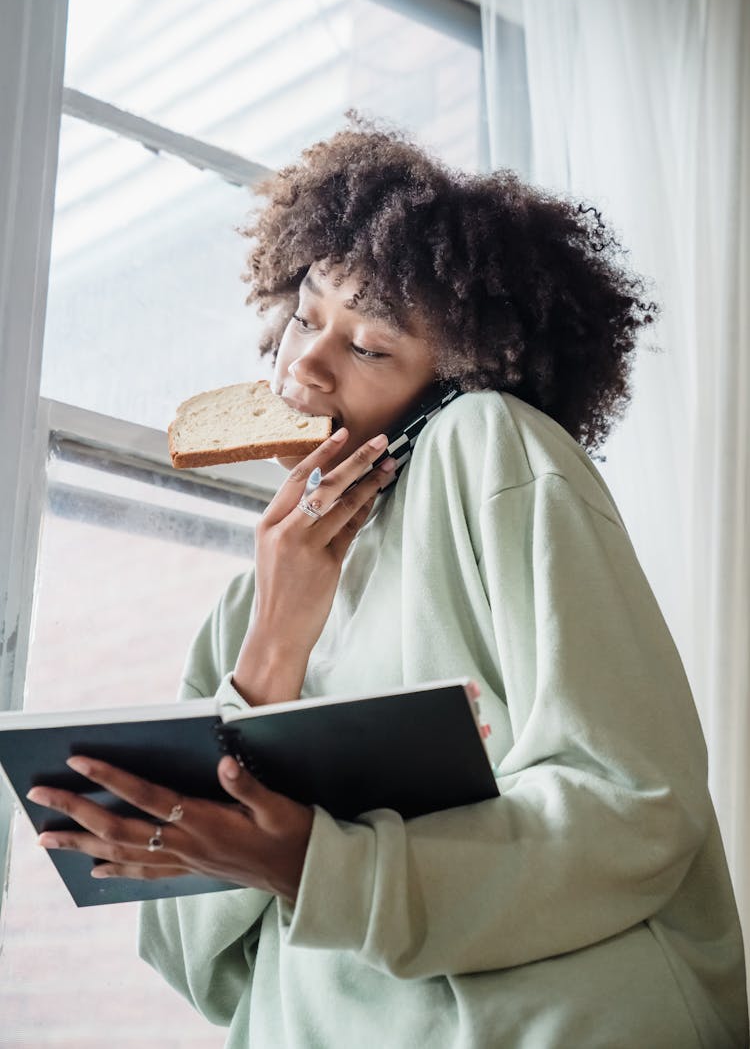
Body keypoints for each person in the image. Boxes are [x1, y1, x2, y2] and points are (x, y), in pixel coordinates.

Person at [28, 121, 748, 1047]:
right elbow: (192, 964)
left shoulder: (487, 446)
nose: (305, 363)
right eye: (306, 313)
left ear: (459, 373)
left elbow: (635, 806)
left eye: (370, 347)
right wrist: (276, 640)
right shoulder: (245, 607)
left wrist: (319, 865)